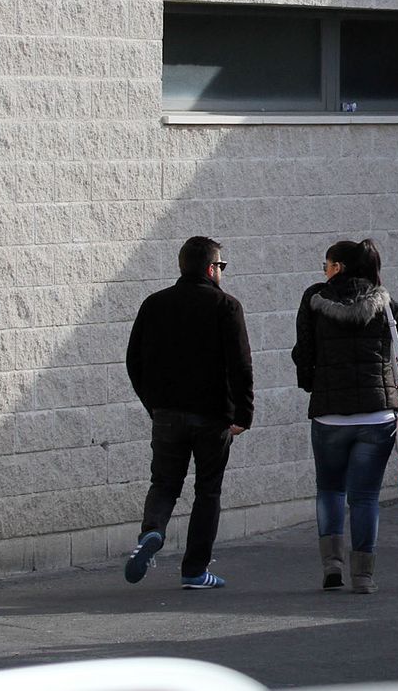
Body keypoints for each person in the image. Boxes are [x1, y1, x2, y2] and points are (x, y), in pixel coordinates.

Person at [124, 236, 254, 589]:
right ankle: (194, 570)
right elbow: (241, 365)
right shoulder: (226, 306)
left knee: (164, 483)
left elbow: (134, 360)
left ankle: (152, 531)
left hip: (167, 413)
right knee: (207, 491)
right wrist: (243, 414)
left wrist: (153, 404)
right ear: (211, 269)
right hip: (214, 416)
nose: (221, 271)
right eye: (220, 266)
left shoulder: (154, 304)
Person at [293, 239, 398, 593]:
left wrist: (312, 385)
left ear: (338, 267)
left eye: (326, 265)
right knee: (365, 497)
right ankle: (363, 576)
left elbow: (303, 352)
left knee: (330, 490)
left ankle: (332, 565)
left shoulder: (314, 298)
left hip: (329, 416)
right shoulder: (383, 301)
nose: (324, 271)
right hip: (377, 417)